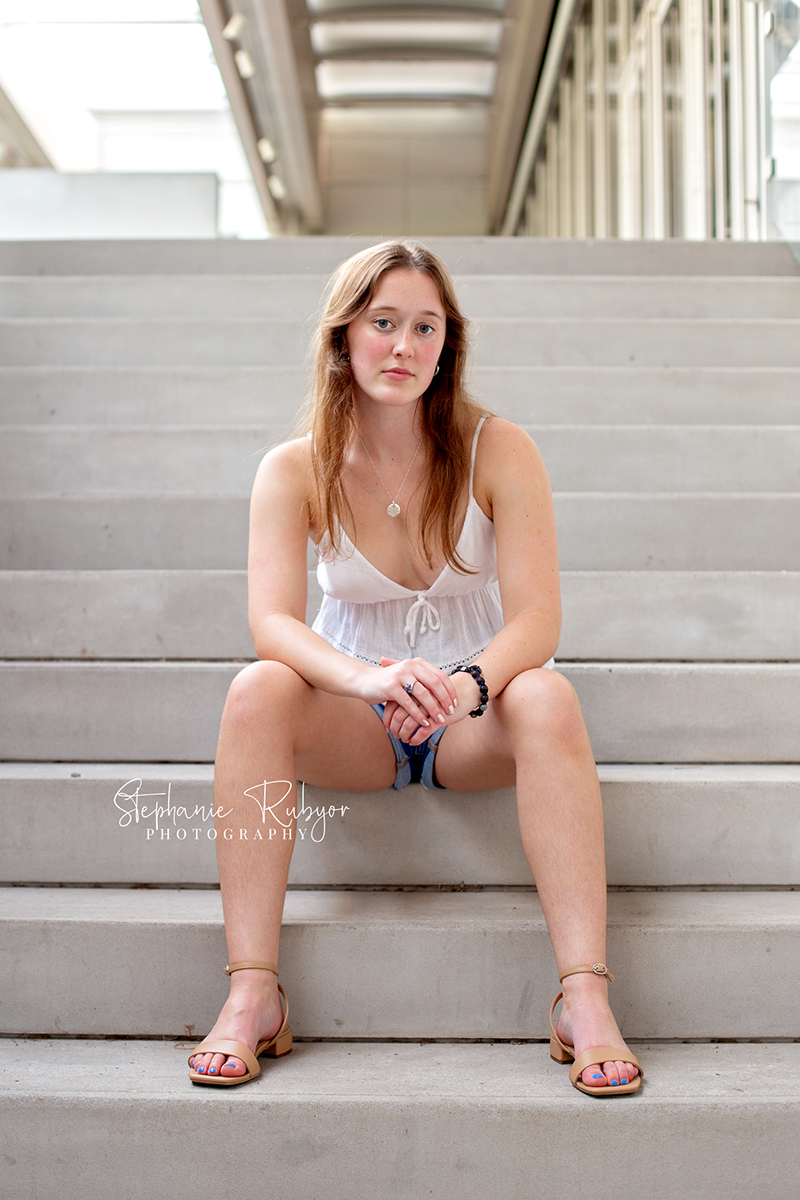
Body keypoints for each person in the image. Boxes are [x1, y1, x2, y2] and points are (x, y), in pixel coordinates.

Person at [188, 240, 641, 1096]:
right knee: (256, 691)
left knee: (547, 696)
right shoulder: (293, 469)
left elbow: (539, 620)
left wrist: (464, 685)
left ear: (448, 342)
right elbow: (271, 621)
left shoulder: (498, 449)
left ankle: (583, 995)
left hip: (472, 720)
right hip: (353, 719)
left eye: (424, 327)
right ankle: (254, 991)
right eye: (382, 322)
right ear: (343, 338)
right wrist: (366, 679)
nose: (403, 346)